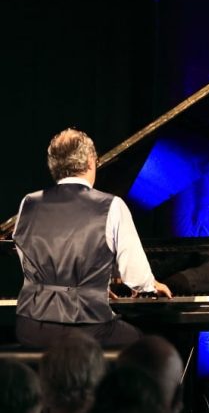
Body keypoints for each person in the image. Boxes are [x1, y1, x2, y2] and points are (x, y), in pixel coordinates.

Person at [11, 128, 171, 349]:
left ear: (53, 166)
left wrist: (91, 287)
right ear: (90, 161)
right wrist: (149, 284)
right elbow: (135, 276)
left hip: (31, 328)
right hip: (87, 328)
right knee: (144, 348)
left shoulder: (28, 203)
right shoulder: (112, 206)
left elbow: (30, 260)